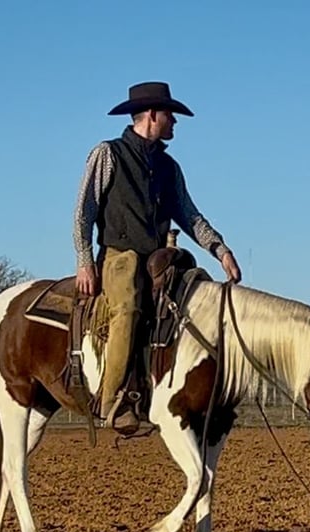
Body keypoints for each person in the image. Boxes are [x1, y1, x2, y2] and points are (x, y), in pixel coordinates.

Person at [72, 81, 242, 432]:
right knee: (129, 309)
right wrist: (85, 260)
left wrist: (220, 250)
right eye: (171, 116)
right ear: (152, 115)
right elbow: (83, 211)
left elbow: (189, 215)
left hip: (160, 259)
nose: (175, 123)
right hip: (119, 256)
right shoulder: (107, 154)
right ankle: (112, 400)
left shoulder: (169, 166)